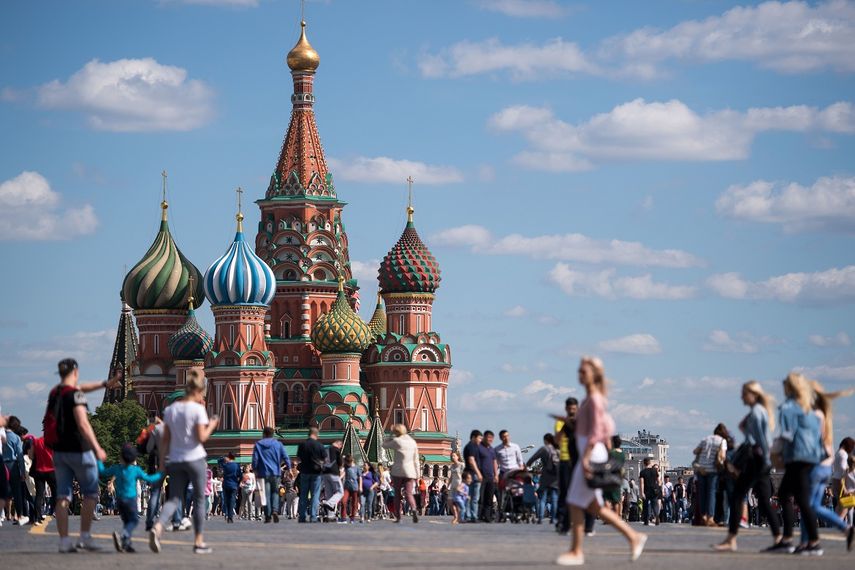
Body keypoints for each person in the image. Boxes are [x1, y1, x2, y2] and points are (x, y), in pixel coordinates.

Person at [558, 357, 646, 566]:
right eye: (579, 371)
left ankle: (576, 551)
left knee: (575, 502)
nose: (580, 375)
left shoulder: (594, 399)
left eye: (584, 372)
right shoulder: (590, 398)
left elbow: (597, 431)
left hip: (591, 453)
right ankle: (633, 536)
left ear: (594, 375)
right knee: (593, 505)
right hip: (590, 452)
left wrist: (586, 458)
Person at [48, 358, 120, 553]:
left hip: (59, 451)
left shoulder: (55, 393)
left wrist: (106, 384)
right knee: (90, 494)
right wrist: (97, 448)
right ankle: (84, 537)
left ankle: (64, 541)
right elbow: (83, 423)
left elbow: (81, 388)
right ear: (75, 372)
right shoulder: (76, 395)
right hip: (80, 451)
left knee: (63, 496)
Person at [148, 369, 219, 555]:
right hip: (195, 458)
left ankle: (158, 527)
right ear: (199, 390)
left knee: (174, 499)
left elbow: (165, 439)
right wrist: (212, 424)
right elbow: (201, 437)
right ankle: (198, 542)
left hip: (175, 460)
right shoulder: (198, 409)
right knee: (199, 499)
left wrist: (162, 463)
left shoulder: (171, 410)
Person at [714, 381, 781, 551]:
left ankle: (731, 539)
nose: (741, 397)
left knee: (738, 496)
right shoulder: (757, 411)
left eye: (744, 393)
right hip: (760, 460)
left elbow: (763, 440)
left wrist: (766, 460)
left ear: (754, 394)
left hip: (756, 460)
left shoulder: (757, 413)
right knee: (763, 501)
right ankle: (779, 539)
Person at [794, 381, 853, 553]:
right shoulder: (824, 414)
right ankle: (807, 543)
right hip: (825, 467)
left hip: (815, 466)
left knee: (809, 506)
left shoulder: (813, 415)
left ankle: (843, 529)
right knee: (810, 505)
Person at [768, 372, 822, 554]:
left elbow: (787, 434)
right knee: (790, 495)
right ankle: (793, 539)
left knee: (794, 498)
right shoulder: (808, 408)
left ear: (789, 387)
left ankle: (807, 541)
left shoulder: (788, 407)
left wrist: (774, 451)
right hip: (811, 457)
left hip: (796, 457)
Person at [99, 443, 163, 552]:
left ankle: (126, 543)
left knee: (126, 522)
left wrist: (99, 460)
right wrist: (160, 473)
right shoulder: (136, 470)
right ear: (134, 458)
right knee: (134, 520)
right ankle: (124, 535)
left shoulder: (116, 468)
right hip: (130, 500)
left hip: (120, 500)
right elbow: (149, 478)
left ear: (121, 457)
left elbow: (103, 472)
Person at [252, 426, 291, 523]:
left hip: (263, 473)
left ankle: (268, 515)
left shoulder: (258, 445)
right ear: (273, 434)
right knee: (275, 492)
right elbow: (286, 457)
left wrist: (255, 470)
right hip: (275, 473)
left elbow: (255, 459)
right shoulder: (278, 444)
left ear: (264, 434)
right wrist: (289, 468)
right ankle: (275, 510)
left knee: (266, 494)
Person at [382, 424, 420, 523]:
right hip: (410, 472)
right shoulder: (412, 442)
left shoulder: (397, 441)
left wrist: (390, 434)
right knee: (409, 493)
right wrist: (418, 474)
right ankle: (414, 509)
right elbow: (416, 460)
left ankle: (398, 517)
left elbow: (384, 445)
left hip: (398, 471)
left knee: (397, 495)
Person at [693, 424, 727, 527]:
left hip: (701, 468)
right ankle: (710, 518)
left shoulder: (705, 439)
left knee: (702, 494)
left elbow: (695, 451)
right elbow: (722, 456)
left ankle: (703, 516)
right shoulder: (722, 441)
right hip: (712, 469)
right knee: (711, 493)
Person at [527, 433, 560, 524]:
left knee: (542, 498)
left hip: (545, 476)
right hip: (555, 477)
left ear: (545, 440)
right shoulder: (557, 450)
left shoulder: (544, 449)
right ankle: (553, 518)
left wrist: (528, 465)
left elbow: (533, 458)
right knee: (554, 498)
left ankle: (540, 518)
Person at [296, 427, 326, 523]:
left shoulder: (302, 445)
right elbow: (325, 459)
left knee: (303, 494)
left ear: (309, 433)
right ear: (317, 434)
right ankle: (313, 516)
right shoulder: (320, 445)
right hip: (316, 473)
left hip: (304, 472)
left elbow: (299, 458)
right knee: (315, 495)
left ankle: (302, 516)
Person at [3, 416, 27, 525]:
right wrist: (22, 472)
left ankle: (4, 514)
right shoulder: (16, 437)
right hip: (12, 465)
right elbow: (20, 456)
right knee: (17, 492)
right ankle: (19, 515)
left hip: (2, 464)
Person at [28, 434, 55, 525]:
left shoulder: (36, 441)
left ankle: (37, 518)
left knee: (39, 494)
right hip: (51, 470)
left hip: (39, 470)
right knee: (56, 492)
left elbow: (30, 456)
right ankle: (55, 512)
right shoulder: (53, 441)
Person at [462, 430, 483, 522]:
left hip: (470, 474)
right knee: (472, 497)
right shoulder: (471, 447)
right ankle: (471, 516)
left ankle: (470, 515)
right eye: (479, 438)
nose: (480, 440)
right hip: (472, 474)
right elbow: (471, 460)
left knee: (471, 497)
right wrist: (478, 473)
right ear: (474, 437)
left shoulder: (473, 447)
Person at [479, 430, 498, 522]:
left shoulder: (492, 450)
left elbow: (494, 462)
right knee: (481, 497)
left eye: (491, 438)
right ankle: (479, 515)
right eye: (488, 437)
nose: (490, 440)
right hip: (481, 477)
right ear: (484, 438)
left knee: (489, 497)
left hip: (490, 477)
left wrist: (496, 475)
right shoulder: (479, 448)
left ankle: (487, 516)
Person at [833, 437, 855, 516]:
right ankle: (838, 522)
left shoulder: (837, 453)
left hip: (835, 479)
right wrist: (849, 468)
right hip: (840, 482)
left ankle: (835, 521)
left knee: (839, 506)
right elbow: (843, 469)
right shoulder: (844, 454)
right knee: (844, 508)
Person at [217, 453, 241, 523]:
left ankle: (227, 514)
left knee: (226, 500)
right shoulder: (236, 465)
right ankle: (230, 517)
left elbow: (219, 462)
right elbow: (240, 475)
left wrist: (223, 458)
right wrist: (238, 483)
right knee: (232, 501)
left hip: (226, 485)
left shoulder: (225, 465)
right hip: (234, 485)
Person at [638, 459, 660, 526]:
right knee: (655, 504)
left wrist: (642, 492)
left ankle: (646, 521)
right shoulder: (655, 471)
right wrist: (658, 487)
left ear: (644, 463)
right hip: (654, 490)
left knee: (646, 506)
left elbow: (642, 483)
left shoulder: (642, 472)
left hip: (646, 490)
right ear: (650, 463)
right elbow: (658, 481)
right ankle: (656, 516)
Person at [342, 454, 360, 523]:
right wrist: (339, 478)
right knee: (343, 501)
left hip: (354, 487)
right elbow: (343, 473)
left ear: (352, 461)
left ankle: (352, 518)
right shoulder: (346, 467)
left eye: (349, 462)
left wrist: (360, 486)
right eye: (347, 462)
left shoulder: (357, 467)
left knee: (354, 503)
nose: (348, 463)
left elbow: (360, 477)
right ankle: (343, 518)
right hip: (346, 487)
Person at [447, 451, 464, 523]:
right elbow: (451, 477)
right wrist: (448, 485)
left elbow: (464, 476)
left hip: (459, 486)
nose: (452, 457)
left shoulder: (462, 465)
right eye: (452, 456)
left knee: (458, 502)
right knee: (450, 501)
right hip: (453, 486)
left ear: (458, 457)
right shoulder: (452, 466)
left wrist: (462, 486)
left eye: (454, 456)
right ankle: (455, 516)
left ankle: (458, 517)